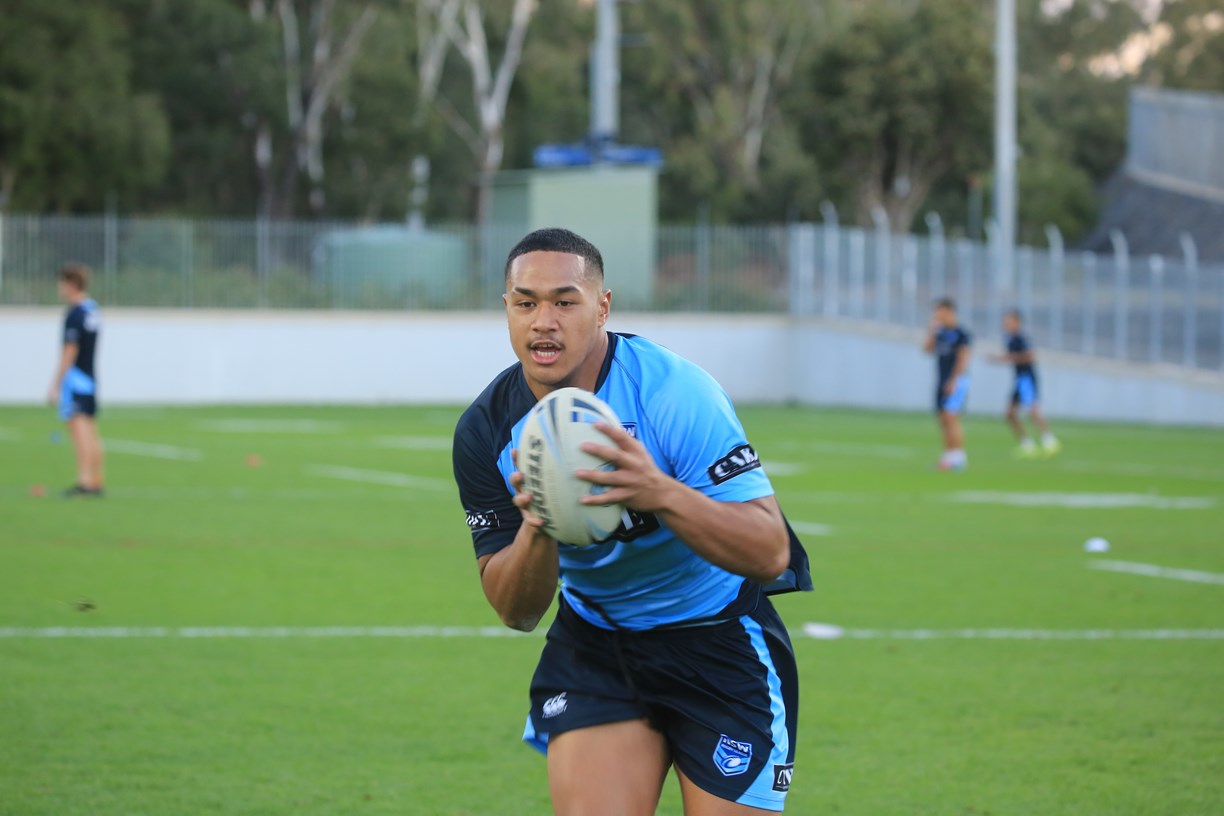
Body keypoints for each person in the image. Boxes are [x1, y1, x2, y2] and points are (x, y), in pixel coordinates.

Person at [453, 227, 811, 815]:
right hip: (598, 646)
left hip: (718, 640)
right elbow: (517, 612)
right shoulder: (487, 431)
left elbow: (770, 551)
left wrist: (657, 491)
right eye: (526, 303)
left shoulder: (675, 393)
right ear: (507, 309)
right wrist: (540, 525)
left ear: (602, 307)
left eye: (565, 302)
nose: (544, 321)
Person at [46, 262, 105, 497]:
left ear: (71, 284)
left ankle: (85, 482)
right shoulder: (92, 309)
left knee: (79, 432)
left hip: (76, 378)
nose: (59, 288)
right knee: (90, 431)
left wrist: (56, 382)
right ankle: (96, 480)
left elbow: (70, 350)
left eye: (61, 283)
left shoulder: (75, 313)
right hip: (89, 377)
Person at [993, 309, 1060, 458]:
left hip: (1026, 378)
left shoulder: (1022, 337)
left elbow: (1030, 356)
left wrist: (1009, 358)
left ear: (1017, 321)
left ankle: (1049, 441)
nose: (1005, 323)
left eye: (1009, 320)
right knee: (1009, 414)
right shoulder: (1009, 338)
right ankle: (1027, 444)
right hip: (1018, 379)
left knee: (1032, 410)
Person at [922, 297, 971, 471]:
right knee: (942, 418)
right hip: (942, 379)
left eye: (939, 310)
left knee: (951, 417)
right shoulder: (940, 332)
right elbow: (927, 350)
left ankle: (959, 458)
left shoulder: (961, 333)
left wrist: (954, 380)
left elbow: (963, 358)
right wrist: (931, 330)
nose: (936, 314)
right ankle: (948, 456)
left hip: (957, 380)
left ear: (949, 311)